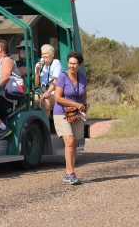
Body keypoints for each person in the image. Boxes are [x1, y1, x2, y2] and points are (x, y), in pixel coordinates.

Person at [53, 51, 87, 185]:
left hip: (76, 114)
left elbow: (84, 94)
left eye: (74, 64)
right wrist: (75, 104)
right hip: (61, 113)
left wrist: (84, 109)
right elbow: (58, 97)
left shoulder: (83, 77)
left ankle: (68, 173)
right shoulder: (62, 77)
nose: (71, 66)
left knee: (75, 143)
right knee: (69, 141)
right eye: (70, 63)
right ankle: (70, 173)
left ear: (79, 65)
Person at [35, 44, 63, 118]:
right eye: (42, 54)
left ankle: (45, 123)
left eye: (46, 53)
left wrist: (48, 92)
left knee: (46, 99)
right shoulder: (39, 65)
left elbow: (56, 80)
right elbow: (36, 84)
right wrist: (37, 72)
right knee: (33, 100)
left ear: (52, 55)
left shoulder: (56, 63)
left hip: (53, 91)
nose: (43, 55)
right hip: (41, 90)